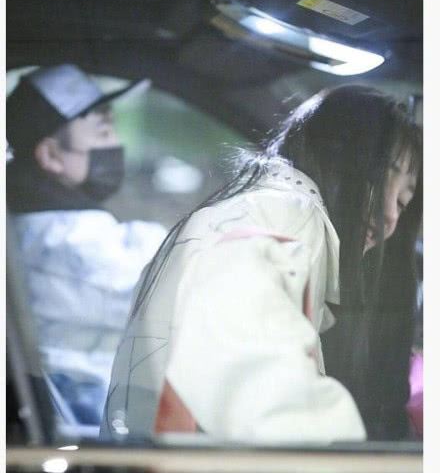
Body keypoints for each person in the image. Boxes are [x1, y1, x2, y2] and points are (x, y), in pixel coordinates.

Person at [101, 84, 422, 444]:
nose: (391, 215)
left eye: (404, 202)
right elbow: (273, 414)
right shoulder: (289, 216)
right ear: (340, 155)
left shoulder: (254, 208)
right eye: (382, 178)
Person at [7, 64, 166, 426]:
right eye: (103, 132)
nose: (115, 144)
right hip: (82, 428)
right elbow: (161, 282)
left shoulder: (30, 223)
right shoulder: (61, 240)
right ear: (50, 156)